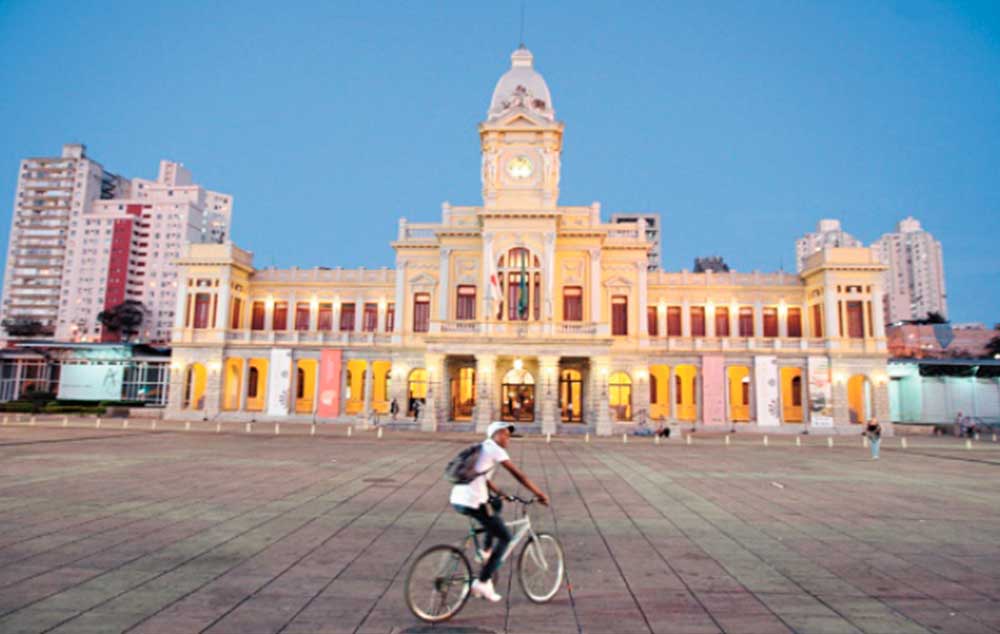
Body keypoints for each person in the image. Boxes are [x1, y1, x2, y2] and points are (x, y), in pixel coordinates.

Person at [450, 421, 549, 603]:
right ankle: (483, 581)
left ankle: (486, 551)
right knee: (505, 537)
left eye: (508, 434)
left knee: (495, 506)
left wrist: (501, 494)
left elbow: (485, 480)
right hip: (473, 501)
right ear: (494, 435)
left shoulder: (482, 449)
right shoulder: (495, 449)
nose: (507, 437)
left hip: (458, 498)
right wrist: (539, 494)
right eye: (503, 433)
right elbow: (519, 475)